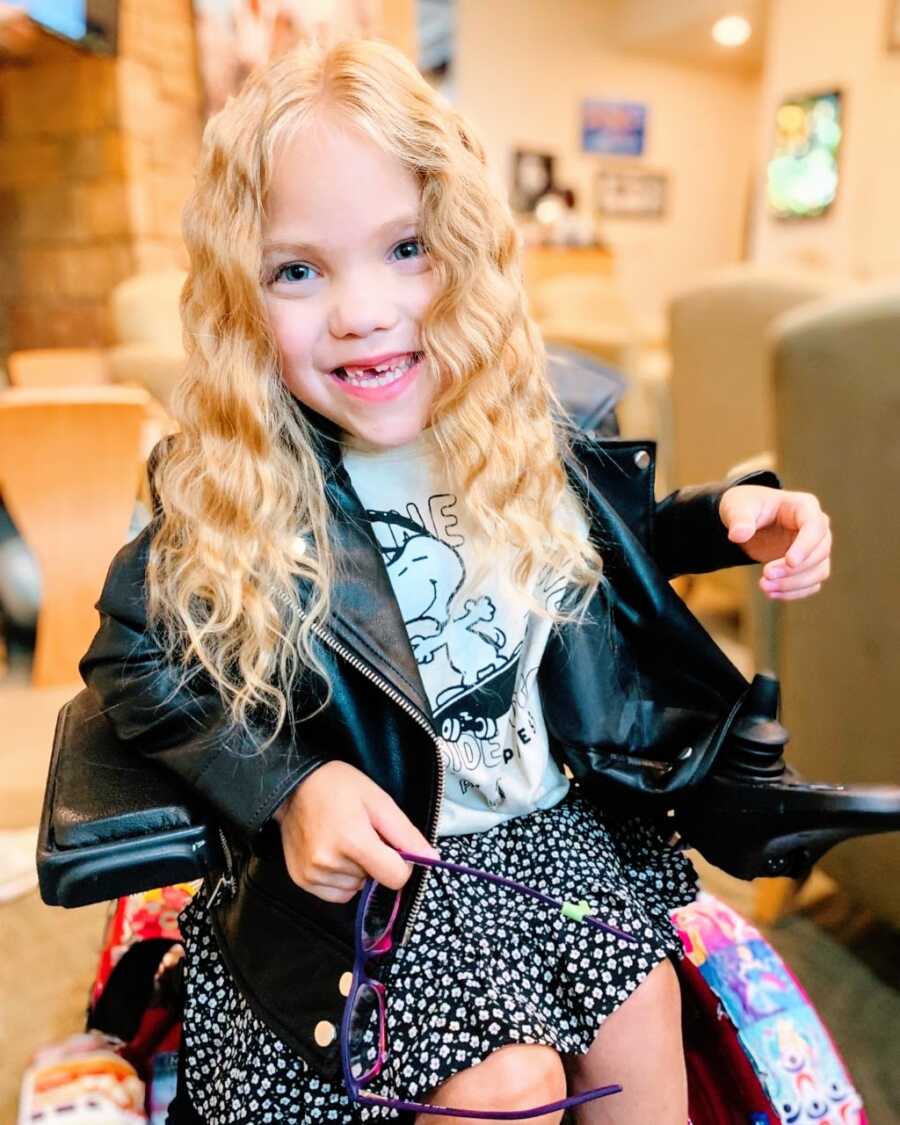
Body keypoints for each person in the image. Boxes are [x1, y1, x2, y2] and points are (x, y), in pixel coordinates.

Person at [78, 37, 833, 1125]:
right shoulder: (236, 482)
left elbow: (605, 541)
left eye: (406, 250)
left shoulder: (519, 424)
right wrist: (288, 786)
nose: (363, 310)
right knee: (504, 1084)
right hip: (387, 864)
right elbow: (128, 659)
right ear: (243, 298)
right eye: (300, 270)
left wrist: (727, 521)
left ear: (467, 252)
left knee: (648, 1005)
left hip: (552, 832)